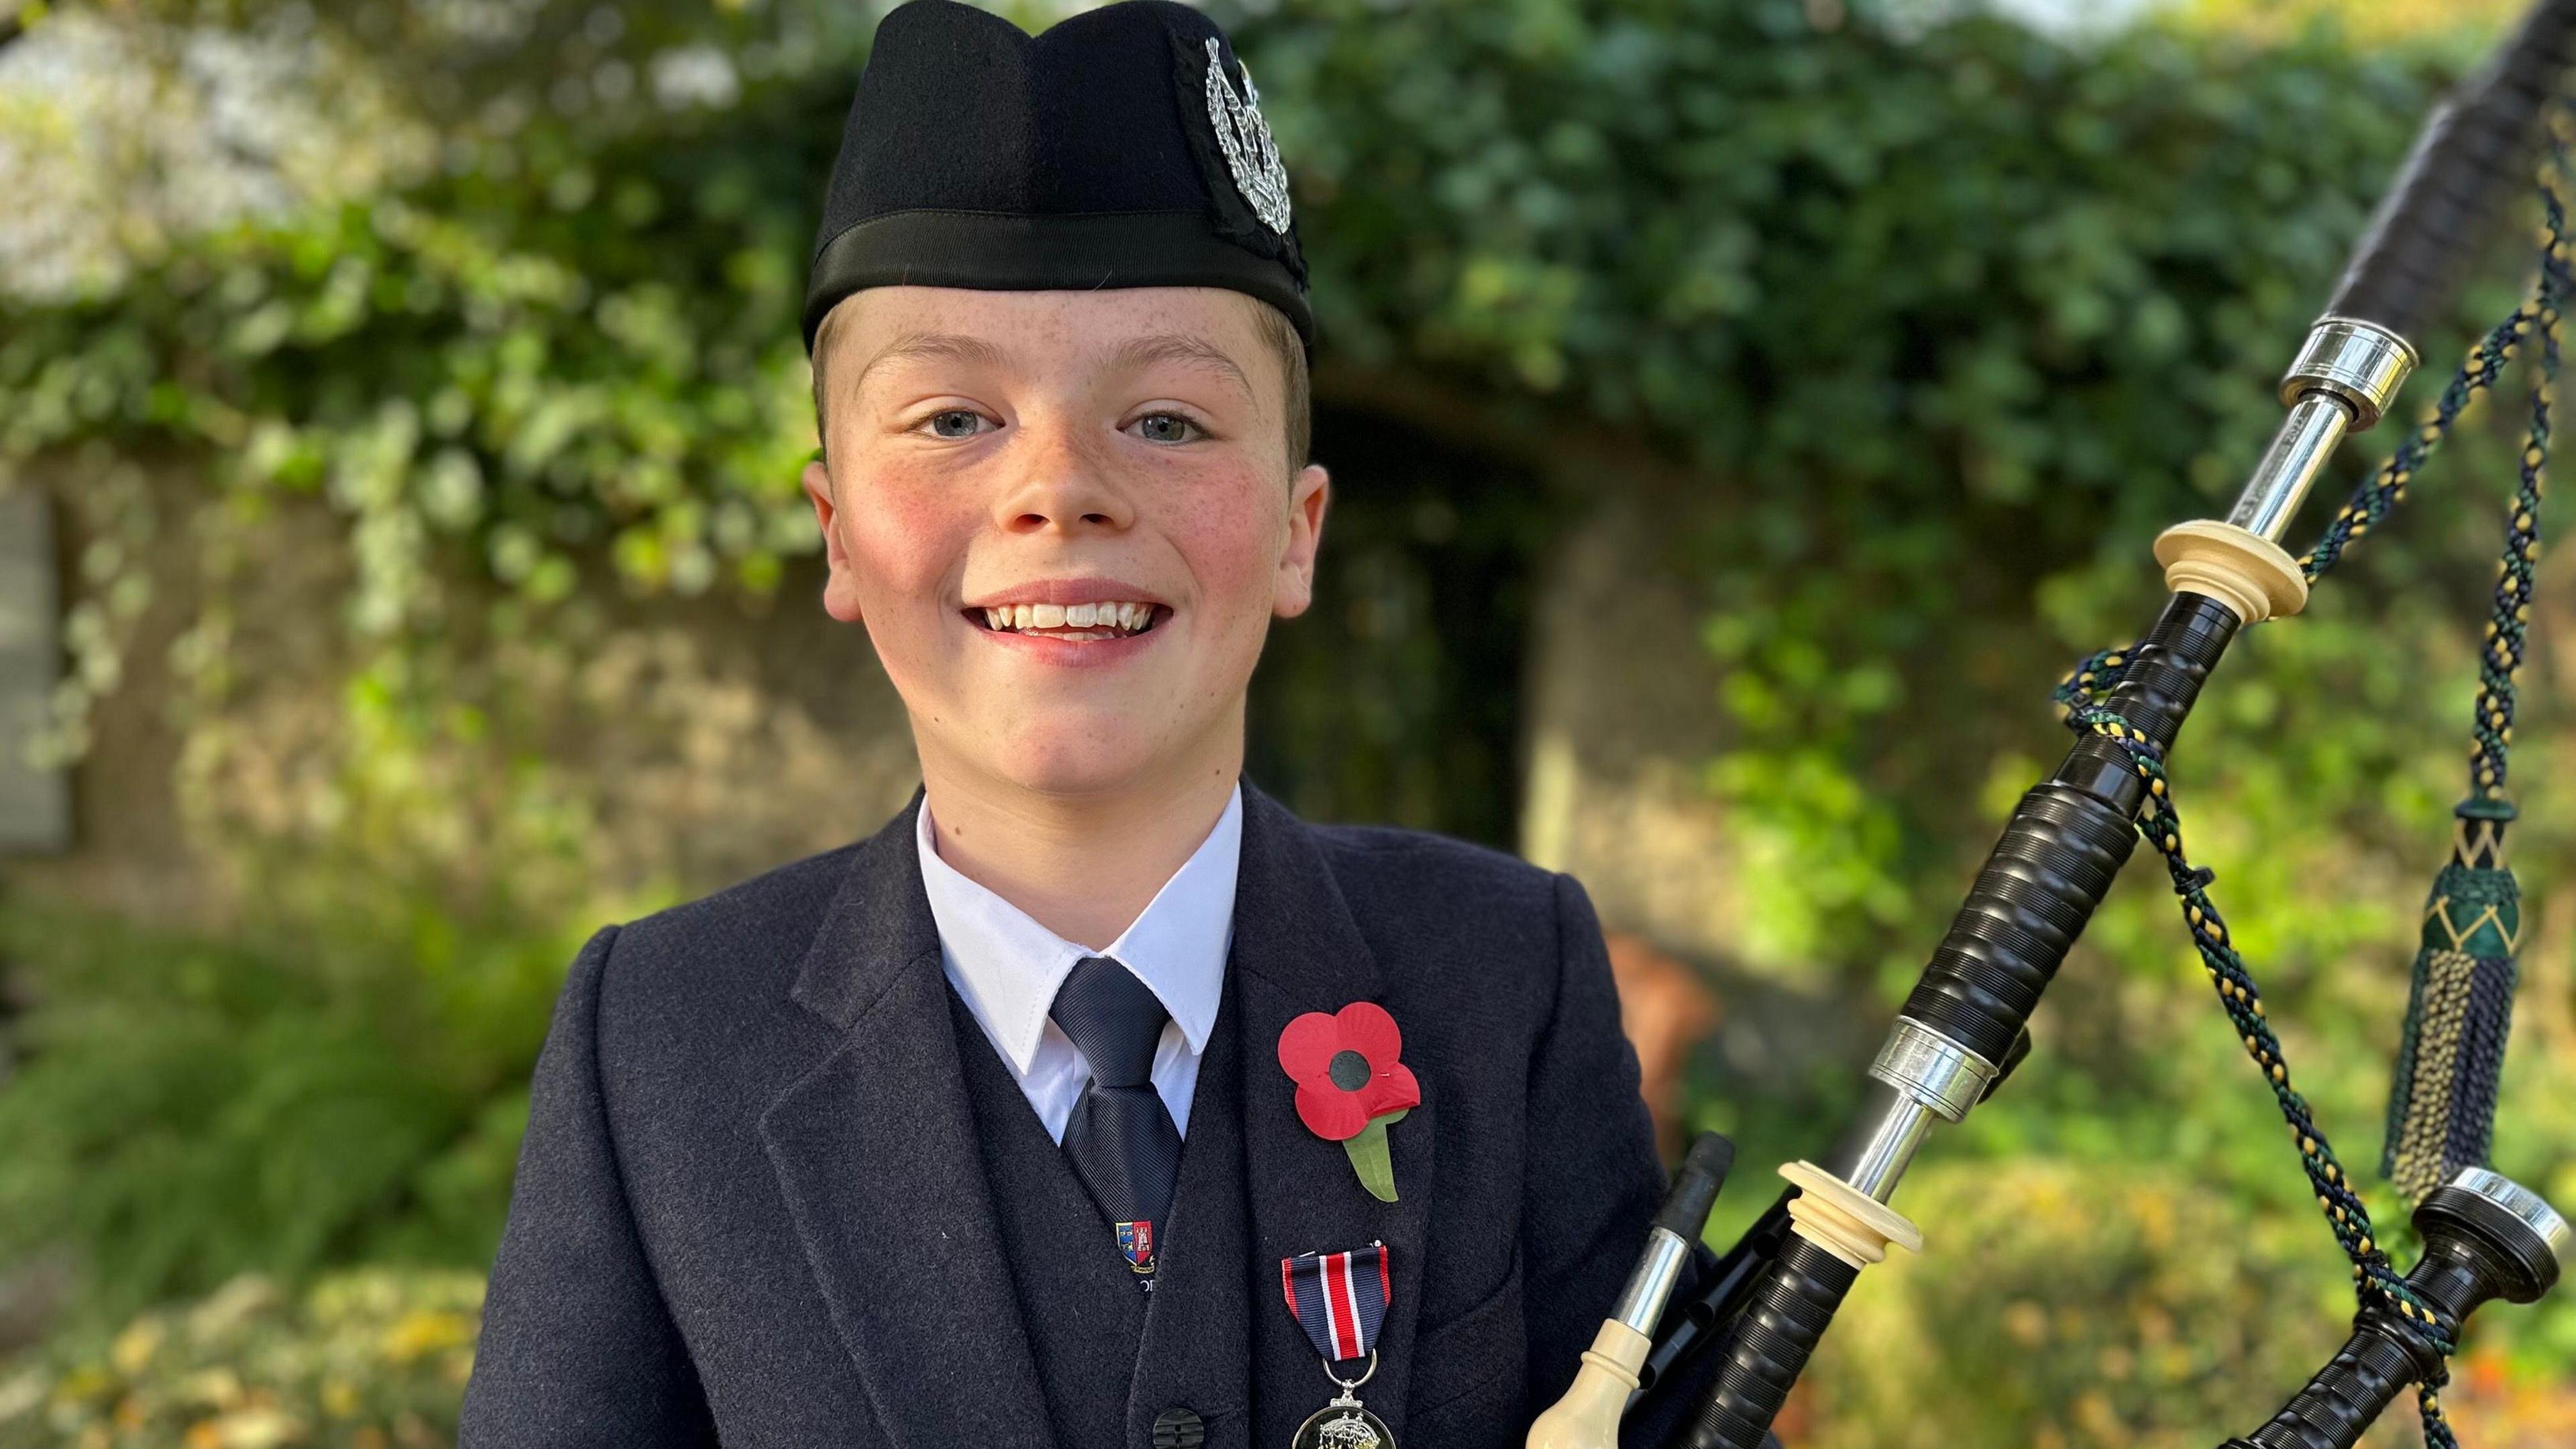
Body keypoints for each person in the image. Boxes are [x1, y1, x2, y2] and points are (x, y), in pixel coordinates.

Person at [460, 4, 1709, 1446]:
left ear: (1299, 535)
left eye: (1168, 422)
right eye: (949, 420)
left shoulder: (1505, 976)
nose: (1059, 490)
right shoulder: (665, 1039)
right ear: (838, 535)